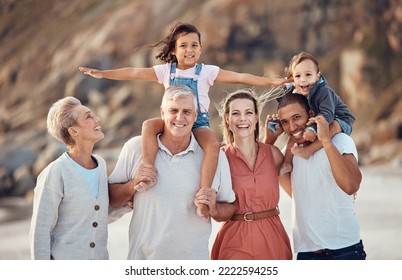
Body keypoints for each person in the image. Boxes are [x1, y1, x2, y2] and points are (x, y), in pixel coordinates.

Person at [79, 22, 288, 219]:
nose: (189, 50)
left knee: (213, 144)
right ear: (173, 50)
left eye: (194, 45)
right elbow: (133, 72)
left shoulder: (206, 72)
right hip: (173, 122)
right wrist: (103, 74)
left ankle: (204, 192)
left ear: (201, 48)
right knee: (148, 126)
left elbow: (241, 77)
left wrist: (270, 81)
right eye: (184, 45)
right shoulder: (165, 71)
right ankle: (148, 171)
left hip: (198, 123)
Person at [107, 85, 236, 260]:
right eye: (173, 110)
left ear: (195, 115)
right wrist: (133, 184)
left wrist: (213, 207)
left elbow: (229, 209)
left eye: (187, 112)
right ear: (162, 113)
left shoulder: (216, 158)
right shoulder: (135, 148)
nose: (180, 117)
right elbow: (112, 199)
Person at [273, 93, 366, 260]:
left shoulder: (340, 140)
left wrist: (326, 141)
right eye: (285, 122)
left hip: (344, 250)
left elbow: (351, 186)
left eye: (296, 117)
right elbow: (297, 196)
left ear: (311, 114)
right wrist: (270, 139)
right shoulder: (288, 156)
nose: (292, 127)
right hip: (307, 253)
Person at [210, 89, 292, 260]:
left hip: (273, 236)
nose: (242, 119)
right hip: (235, 239)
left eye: (248, 112)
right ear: (227, 119)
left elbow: (296, 191)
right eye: (235, 113)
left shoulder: (273, 153)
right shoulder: (220, 158)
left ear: (256, 117)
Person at [29, 96, 109, 260]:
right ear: (73, 131)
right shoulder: (56, 172)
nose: (97, 119)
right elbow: (40, 232)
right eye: (89, 116)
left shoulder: (100, 165)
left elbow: (101, 214)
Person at [267, 51, 355, 175]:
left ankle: (309, 150)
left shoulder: (324, 91)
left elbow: (327, 115)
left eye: (308, 75)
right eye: (298, 76)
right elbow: (287, 106)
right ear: (292, 79)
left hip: (338, 118)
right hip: (316, 118)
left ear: (317, 76)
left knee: (333, 126)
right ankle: (287, 162)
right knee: (295, 133)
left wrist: (313, 129)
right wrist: (278, 122)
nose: (303, 80)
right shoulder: (295, 90)